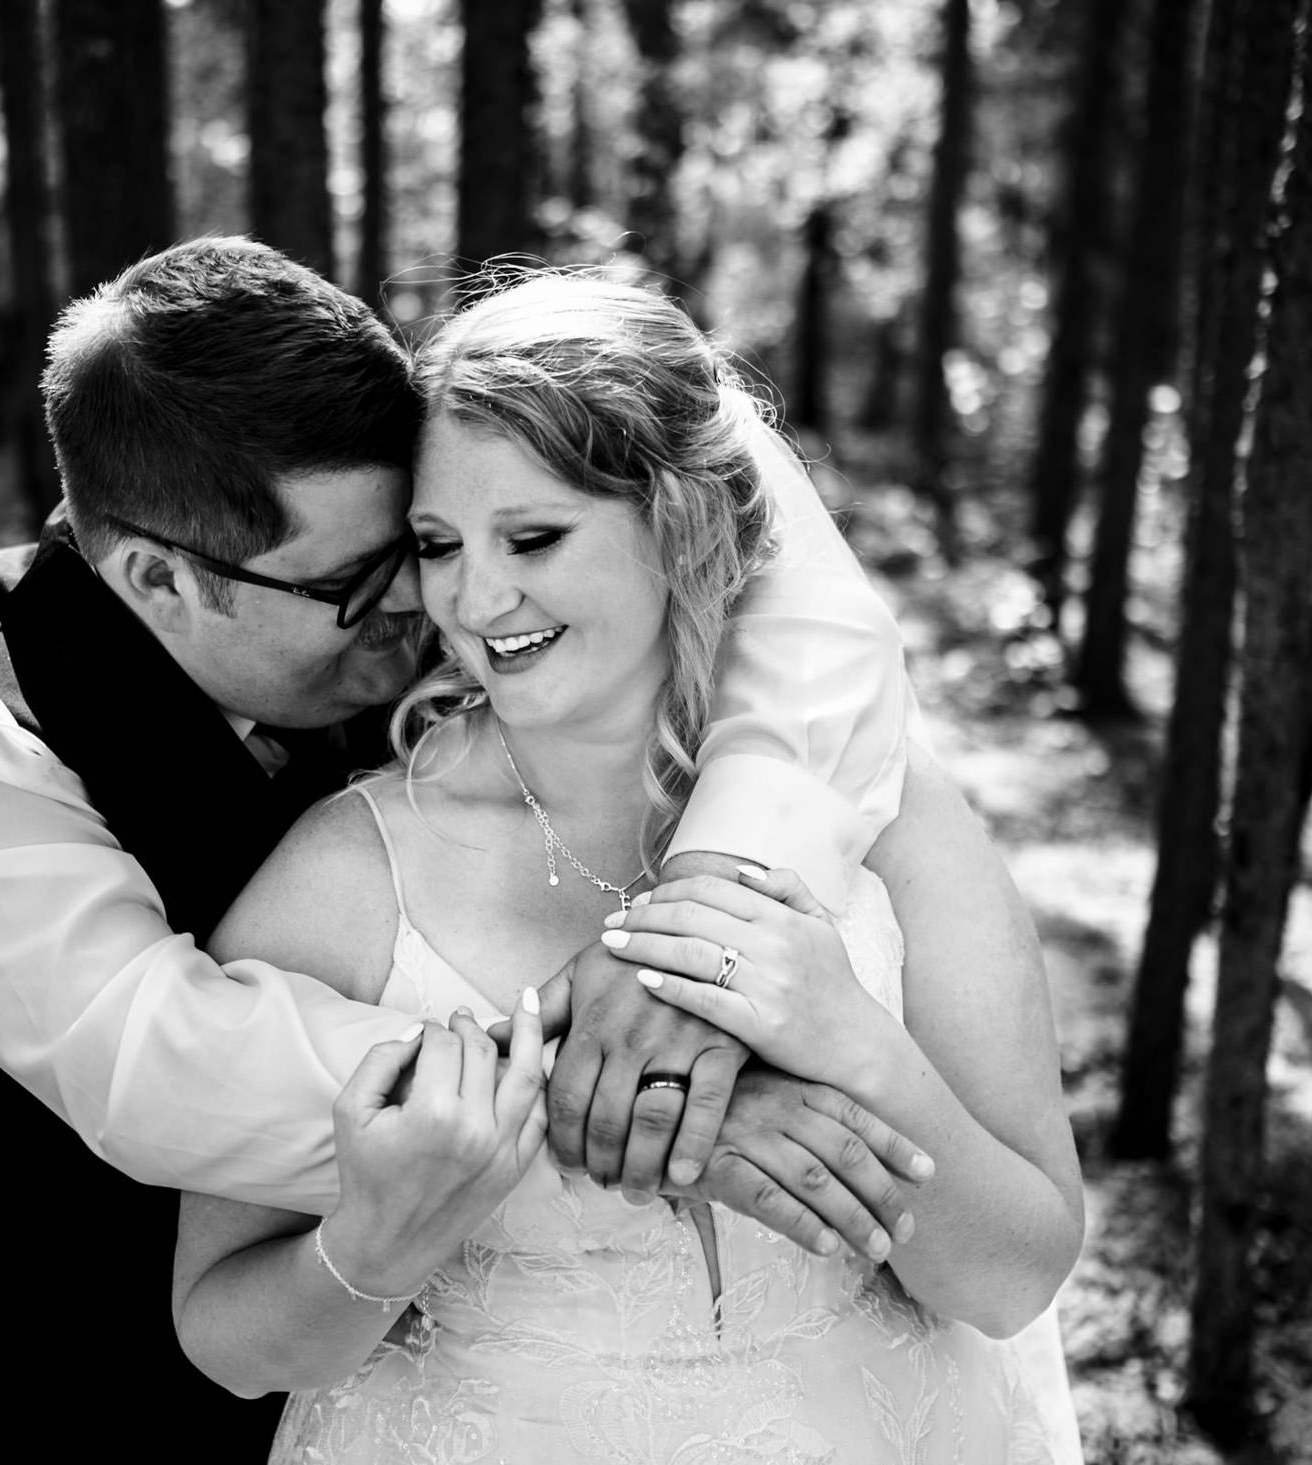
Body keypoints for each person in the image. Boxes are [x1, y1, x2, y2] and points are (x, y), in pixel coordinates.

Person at [0, 237, 930, 1459]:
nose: (429, 605)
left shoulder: (469, 598)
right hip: (99, 1399)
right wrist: (637, 1086)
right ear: (157, 577)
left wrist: (709, 888)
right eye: (356, 579)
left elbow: (806, 616)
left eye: (419, 540)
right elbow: (157, 1063)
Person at [171, 272, 1086, 1462]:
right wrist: (383, 1240)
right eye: (438, 546)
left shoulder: (889, 820)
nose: (473, 597)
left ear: (679, 523)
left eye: (533, 537)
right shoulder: (344, 878)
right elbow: (223, 1335)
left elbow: (1016, 1279)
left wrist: (843, 1035)